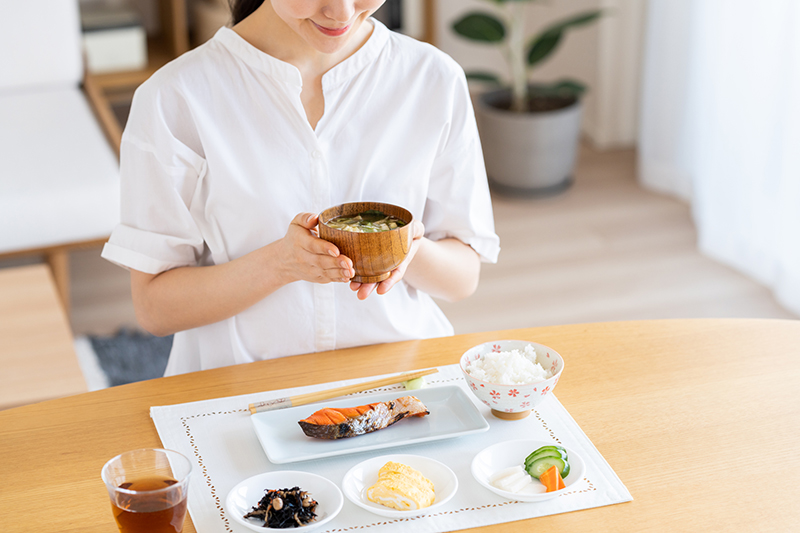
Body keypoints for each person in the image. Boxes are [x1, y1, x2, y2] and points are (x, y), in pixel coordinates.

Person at [101, 0, 501, 375]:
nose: (341, 11)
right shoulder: (176, 97)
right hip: (239, 393)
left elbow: (462, 277)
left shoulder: (432, 78)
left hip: (399, 380)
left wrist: (407, 249)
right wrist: (281, 264)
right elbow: (155, 307)